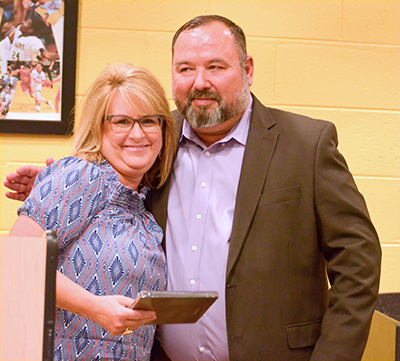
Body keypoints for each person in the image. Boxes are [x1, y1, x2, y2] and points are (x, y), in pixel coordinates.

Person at [4, 15, 381, 361]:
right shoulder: (157, 137)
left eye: (215, 66)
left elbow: (358, 263)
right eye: (186, 68)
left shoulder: (306, 144)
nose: (200, 81)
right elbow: (107, 169)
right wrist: (55, 181)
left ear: (247, 70)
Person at [7, 62, 177, 360]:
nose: (137, 134)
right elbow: (15, 263)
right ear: (99, 127)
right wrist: (94, 307)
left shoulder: (143, 210)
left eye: (149, 121)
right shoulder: (80, 176)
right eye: (122, 121)